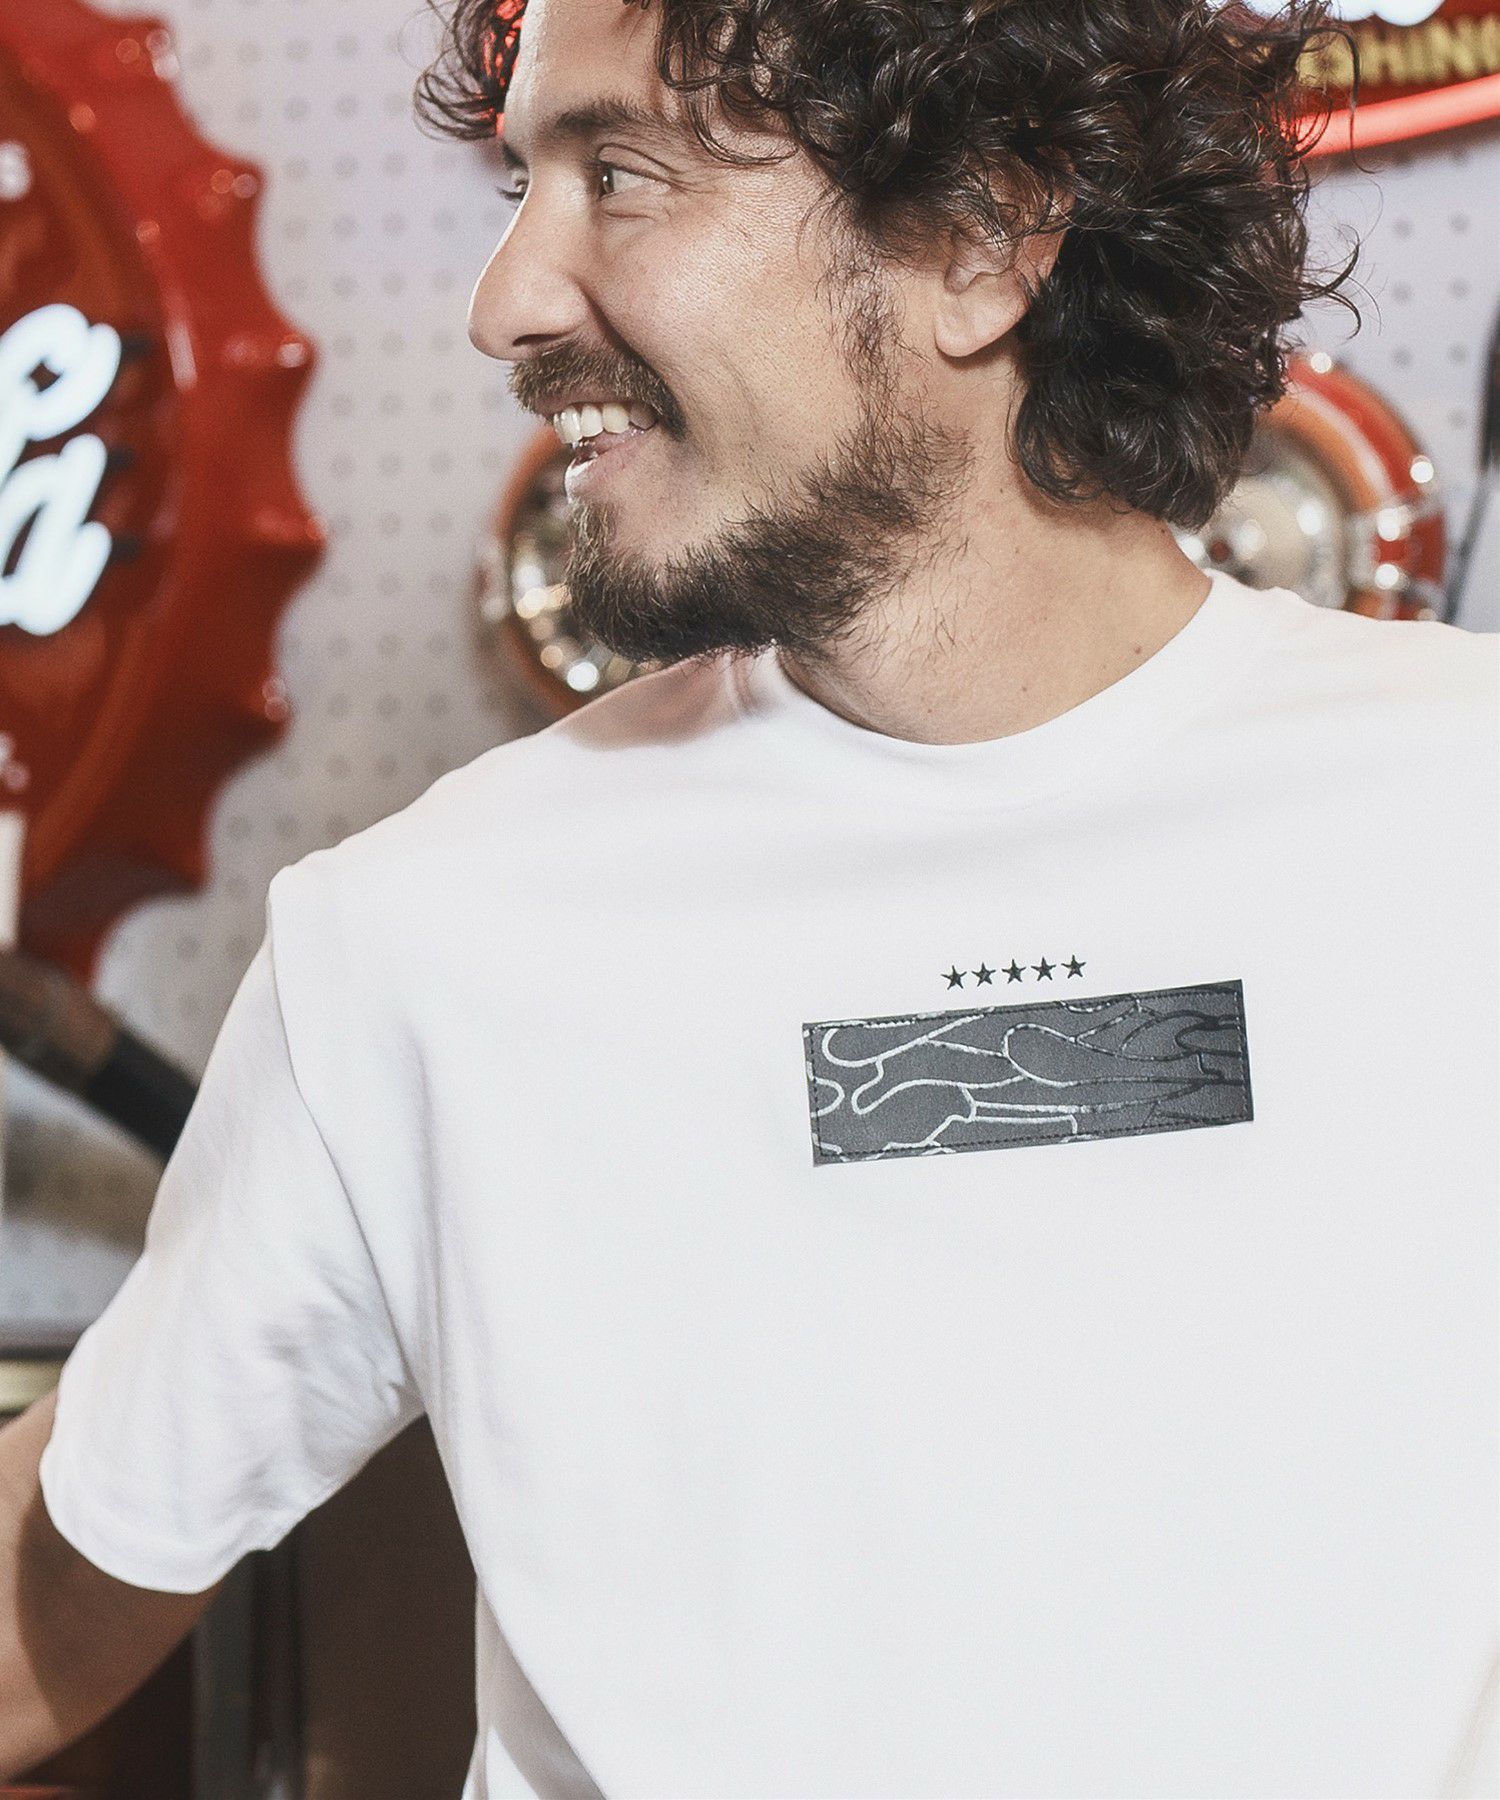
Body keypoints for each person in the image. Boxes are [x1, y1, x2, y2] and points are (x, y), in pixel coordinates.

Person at [3, 0, 1496, 1791]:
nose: (505, 301)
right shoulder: (425, 939)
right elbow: (55, 1605)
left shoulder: (1462, 813)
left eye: (620, 176)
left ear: (980, 241)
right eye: (519, 184)